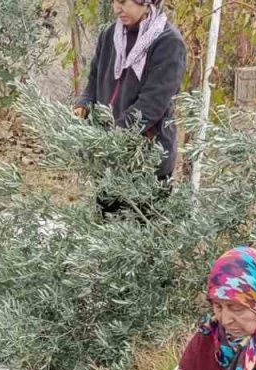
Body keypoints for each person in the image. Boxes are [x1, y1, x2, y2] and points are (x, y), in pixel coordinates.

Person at [75, 0, 186, 214]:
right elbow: (94, 80)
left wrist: (111, 138)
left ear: (146, 3)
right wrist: (84, 104)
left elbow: (152, 105)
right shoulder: (110, 36)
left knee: (143, 238)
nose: (117, 9)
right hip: (110, 159)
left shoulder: (168, 42)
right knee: (106, 233)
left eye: (124, 2)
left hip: (147, 161)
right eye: (115, 1)